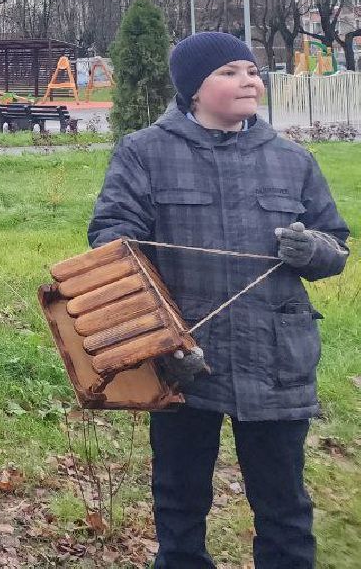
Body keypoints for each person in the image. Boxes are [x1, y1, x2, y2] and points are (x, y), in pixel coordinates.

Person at [88, 32, 349, 569]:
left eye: (252, 70)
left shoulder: (292, 159)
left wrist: (313, 249)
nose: (249, 80)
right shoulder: (145, 152)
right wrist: (156, 337)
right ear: (193, 90)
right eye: (230, 71)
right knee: (179, 505)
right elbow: (112, 239)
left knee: (285, 508)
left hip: (277, 363)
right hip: (185, 361)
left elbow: (337, 246)